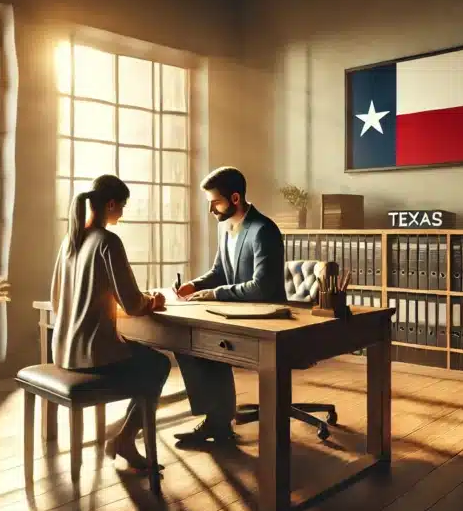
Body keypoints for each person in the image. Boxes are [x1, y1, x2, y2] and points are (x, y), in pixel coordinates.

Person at [50, 174, 171, 471]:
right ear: (112, 204)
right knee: (159, 364)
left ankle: (121, 433)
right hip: (93, 356)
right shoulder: (108, 242)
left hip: (64, 351)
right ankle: (125, 438)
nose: (123, 213)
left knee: (140, 356)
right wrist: (153, 301)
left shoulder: (71, 240)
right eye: (123, 206)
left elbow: (56, 300)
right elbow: (132, 303)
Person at [172, 166, 286, 444]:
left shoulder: (263, 230)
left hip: (265, 320)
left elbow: (261, 287)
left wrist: (214, 294)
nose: (211, 209)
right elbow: (219, 272)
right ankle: (217, 420)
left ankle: (219, 422)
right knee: (189, 343)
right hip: (234, 312)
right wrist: (194, 285)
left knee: (206, 343)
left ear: (235, 198)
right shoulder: (226, 228)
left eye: (215, 202)